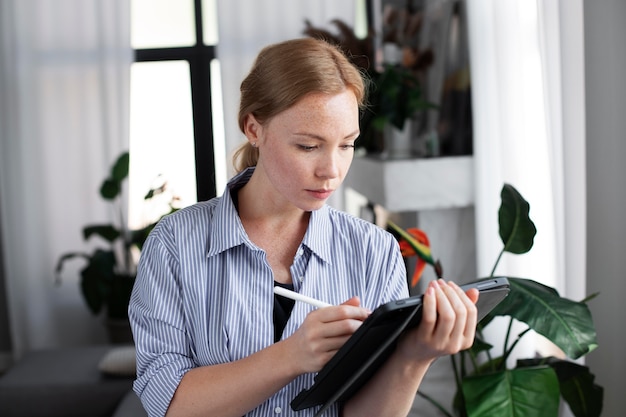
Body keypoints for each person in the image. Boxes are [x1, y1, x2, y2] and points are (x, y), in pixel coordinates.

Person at [129, 37, 478, 417]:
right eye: (309, 146)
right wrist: (290, 356)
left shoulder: (375, 252)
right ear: (253, 128)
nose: (331, 171)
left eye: (346, 145)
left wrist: (414, 357)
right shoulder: (174, 245)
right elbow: (168, 407)